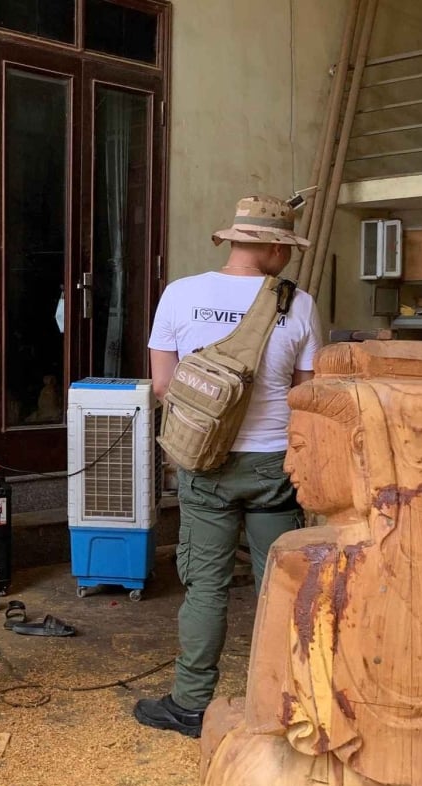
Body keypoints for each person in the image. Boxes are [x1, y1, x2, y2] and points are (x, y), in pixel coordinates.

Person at [134, 194, 324, 738]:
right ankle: (282, 702)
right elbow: (306, 400)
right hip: (273, 468)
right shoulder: (300, 304)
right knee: (280, 586)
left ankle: (192, 704)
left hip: (206, 464)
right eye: (284, 247)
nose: (286, 257)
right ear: (268, 246)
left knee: (207, 588)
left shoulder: (180, 294)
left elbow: (166, 389)